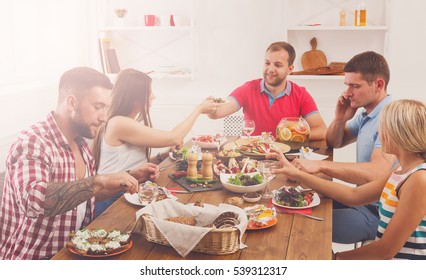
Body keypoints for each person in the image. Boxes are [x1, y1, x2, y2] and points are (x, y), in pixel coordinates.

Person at [0, 67, 159, 260]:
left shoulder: (81, 144)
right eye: (98, 106)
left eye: (106, 108)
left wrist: (127, 178)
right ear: (72, 102)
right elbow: (34, 200)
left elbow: (85, 198)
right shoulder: (33, 142)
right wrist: (98, 181)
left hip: (74, 252)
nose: (104, 117)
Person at [268, 99, 426, 259]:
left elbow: (385, 251)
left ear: (401, 134)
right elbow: (354, 195)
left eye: (384, 126)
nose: (379, 130)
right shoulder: (401, 171)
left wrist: (336, 259)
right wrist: (298, 174)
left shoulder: (419, 180)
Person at [291, 51, 397, 244]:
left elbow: (376, 173)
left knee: (303, 226)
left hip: (379, 215)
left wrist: (321, 166)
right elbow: (334, 142)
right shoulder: (367, 113)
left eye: (355, 86)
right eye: (347, 85)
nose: (348, 93)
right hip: (362, 201)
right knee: (296, 203)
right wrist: (340, 118)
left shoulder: (390, 119)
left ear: (379, 85)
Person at [91, 68, 220, 217]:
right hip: (112, 202)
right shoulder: (119, 123)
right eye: (149, 92)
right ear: (135, 96)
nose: (153, 96)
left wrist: (161, 156)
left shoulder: (123, 122)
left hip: (127, 194)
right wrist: (199, 110)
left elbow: (128, 165)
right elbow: (175, 137)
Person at [208, 41, 326, 140]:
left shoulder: (300, 94)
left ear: (290, 69)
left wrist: (291, 136)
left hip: (286, 158)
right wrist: (210, 106)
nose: (270, 69)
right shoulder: (248, 89)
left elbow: (321, 130)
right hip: (251, 158)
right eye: (267, 63)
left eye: (278, 65)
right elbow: (217, 113)